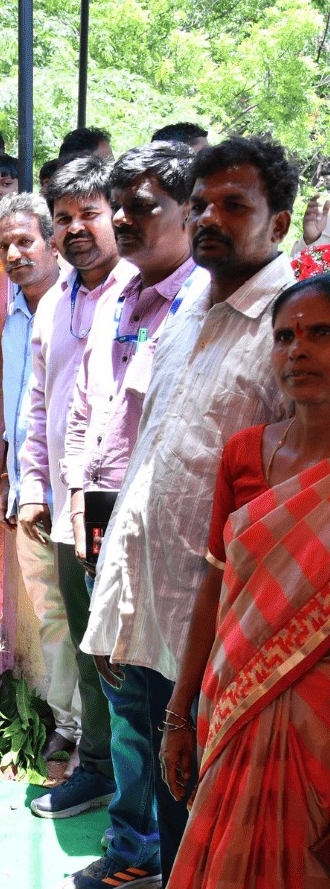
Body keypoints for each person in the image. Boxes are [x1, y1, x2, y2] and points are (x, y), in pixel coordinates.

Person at [81, 136, 298, 885]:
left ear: (279, 221)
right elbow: (151, 458)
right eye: (201, 204)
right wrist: (116, 594)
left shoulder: (294, 326)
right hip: (154, 605)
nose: (208, 218)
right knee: (173, 804)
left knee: (222, 819)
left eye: (233, 205)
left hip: (233, 623)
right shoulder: (190, 305)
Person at [59, 142, 209, 888]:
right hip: (102, 523)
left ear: (189, 213)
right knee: (123, 702)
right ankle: (134, 848)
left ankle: (172, 858)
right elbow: (86, 410)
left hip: (168, 541)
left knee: (167, 710)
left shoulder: (203, 304)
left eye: (142, 207)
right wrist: (75, 500)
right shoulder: (118, 297)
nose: (123, 220)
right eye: (118, 207)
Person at [162, 274, 330, 889]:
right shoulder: (243, 453)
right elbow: (214, 588)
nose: (298, 350)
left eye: (321, 333)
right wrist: (178, 715)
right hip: (233, 705)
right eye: (285, 337)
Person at [18, 155, 137, 831]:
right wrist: (34, 487)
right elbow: (38, 404)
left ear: (116, 216)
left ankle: (144, 792)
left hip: (128, 504)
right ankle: (96, 768)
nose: (76, 229)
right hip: (71, 510)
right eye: (63, 218)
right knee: (91, 644)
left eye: (89, 213)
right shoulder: (54, 303)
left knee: (133, 655)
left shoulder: (142, 292)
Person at [0, 193, 81, 772]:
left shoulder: (81, 305)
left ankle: (102, 735)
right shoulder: (9, 317)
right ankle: (68, 725)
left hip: (76, 491)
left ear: (51, 242)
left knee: (86, 615)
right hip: (28, 491)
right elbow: (15, 410)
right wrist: (10, 477)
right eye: (5, 245)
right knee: (50, 611)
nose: (15, 254)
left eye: (25, 241)